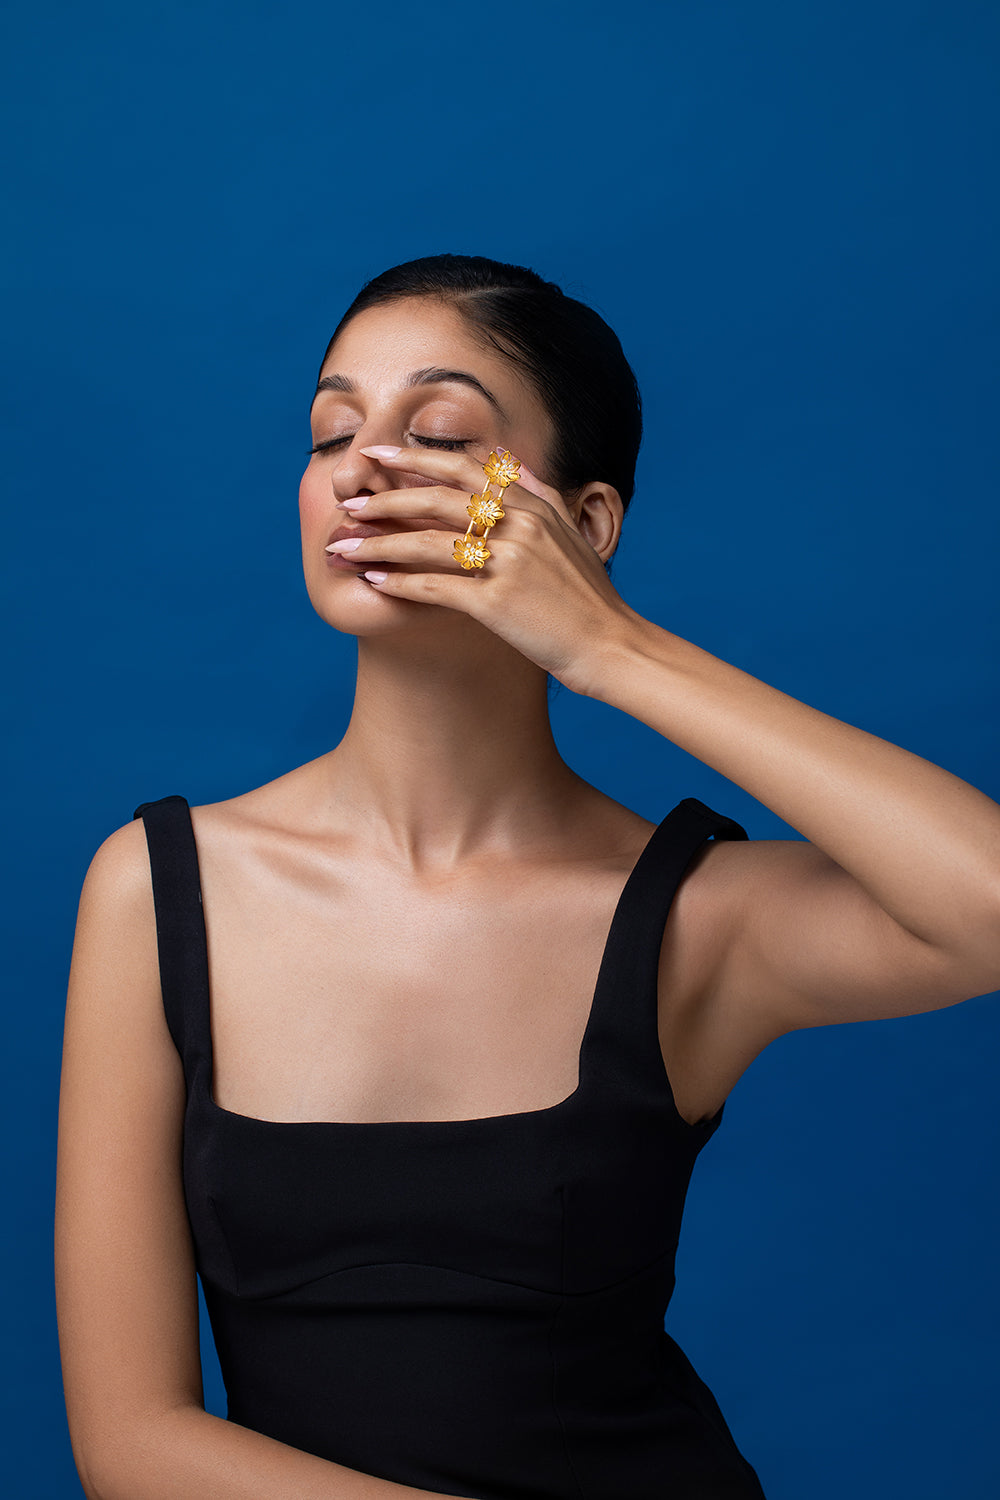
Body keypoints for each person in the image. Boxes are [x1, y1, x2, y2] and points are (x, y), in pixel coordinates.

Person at [55, 254, 1000, 1500]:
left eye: (436, 430)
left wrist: (610, 643)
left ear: (585, 522)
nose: (364, 464)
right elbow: (130, 1443)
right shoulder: (157, 886)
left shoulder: (689, 919)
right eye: (332, 429)